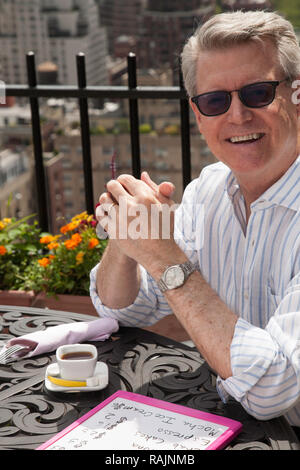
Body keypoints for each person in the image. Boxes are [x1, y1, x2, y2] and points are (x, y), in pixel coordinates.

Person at [90, 10, 300, 429]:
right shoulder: (210, 189)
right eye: (216, 100)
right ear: (198, 114)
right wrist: (128, 233)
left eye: (258, 93)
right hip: (221, 418)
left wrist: (166, 257)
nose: (237, 116)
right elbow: (122, 310)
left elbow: (272, 391)